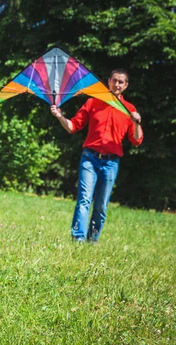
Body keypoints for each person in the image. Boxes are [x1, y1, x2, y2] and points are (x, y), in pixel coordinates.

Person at [50, 69, 144, 243]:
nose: (117, 84)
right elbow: (73, 126)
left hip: (110, 164)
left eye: (121, 82)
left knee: (100, 206)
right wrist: (60, 116)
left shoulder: (129, 110)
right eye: (114, 80)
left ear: (126, 86)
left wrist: (136, 123)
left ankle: (92, 241)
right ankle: (78, 239)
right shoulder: (93, 102)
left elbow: (136, 140)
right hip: (90, 159)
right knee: (84, 200)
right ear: (108, 81)